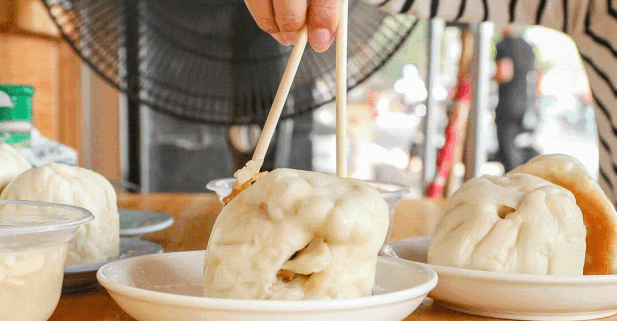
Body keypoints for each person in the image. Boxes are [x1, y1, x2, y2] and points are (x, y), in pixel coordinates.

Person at [243, 0, 617, 204]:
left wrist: (479, 75)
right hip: (513, 109)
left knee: (508, 151)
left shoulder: (512, 45)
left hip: (509, 110)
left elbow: (502, 71)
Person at [493, 27, 537, 172]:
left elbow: (504, 73)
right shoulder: (528, 46)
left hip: (508, 105)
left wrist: (482, 77)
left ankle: (513, 184)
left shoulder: (504, 45)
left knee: (507, 152)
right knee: (516, 149)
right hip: (525, 106)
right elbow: (537, 74)